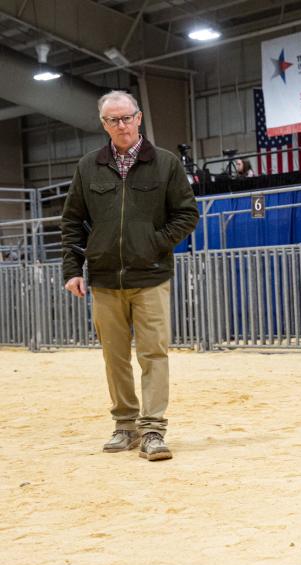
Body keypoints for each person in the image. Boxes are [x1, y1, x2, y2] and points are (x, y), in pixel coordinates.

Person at [60, 90, 199, 461]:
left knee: (154, 354)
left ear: (139, 118)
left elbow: (187, 215)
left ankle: (153, 429)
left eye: (126, 118)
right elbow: (72, 221)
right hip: (104, 279)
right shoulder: (89, 166)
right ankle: (125, 425)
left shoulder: (166, 163)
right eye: (112, 120)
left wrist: (153, 243)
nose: (121, 125)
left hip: (151, 276)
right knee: (114, 356)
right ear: (103, 124)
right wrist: (73, 269)